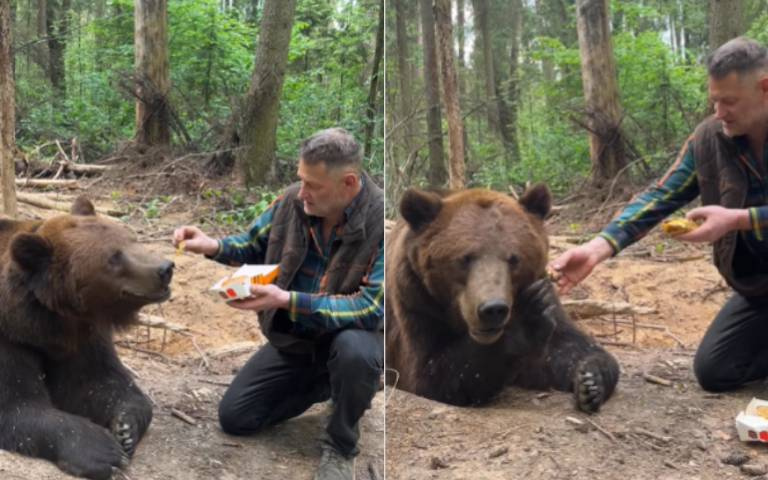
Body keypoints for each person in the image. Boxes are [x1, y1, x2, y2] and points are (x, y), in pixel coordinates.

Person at [551, 37, 768, 393]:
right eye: (714, 100)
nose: (719, 112)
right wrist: (597, 248)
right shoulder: (710, 139)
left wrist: (738, 219)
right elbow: (661, 195)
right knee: (715, 370)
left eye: (729, 101)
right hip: (759, 290)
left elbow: (738, 219)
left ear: (764, 88)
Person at [173, 128, 383, 480]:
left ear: (348, 183)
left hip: (352, 338)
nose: (302, 192)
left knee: (354, 352)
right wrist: (210, 245)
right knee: (236, 418)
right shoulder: (293, 202)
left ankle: (341, 443)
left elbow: (370, 307)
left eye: (313, 185)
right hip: (297, 341)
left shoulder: (381, 221)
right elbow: (252, 244)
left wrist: (286, 299)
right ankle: (331, 385)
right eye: (301, 180)